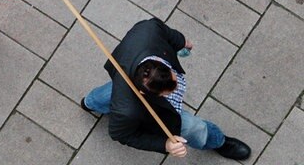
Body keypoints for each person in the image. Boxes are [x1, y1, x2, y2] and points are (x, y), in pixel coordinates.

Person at [80, 18, 250, 160]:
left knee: (114, 90)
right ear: (143, 93)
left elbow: (165, 31)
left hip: (123, 73)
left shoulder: (149, 30)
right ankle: (217, 141)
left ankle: (90, 102)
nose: (175, 91)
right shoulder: (127, 111)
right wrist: (165, 144)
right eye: (167, 93)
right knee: (191, 126)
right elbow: (121, 135)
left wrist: (181, 41)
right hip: (131, 97)